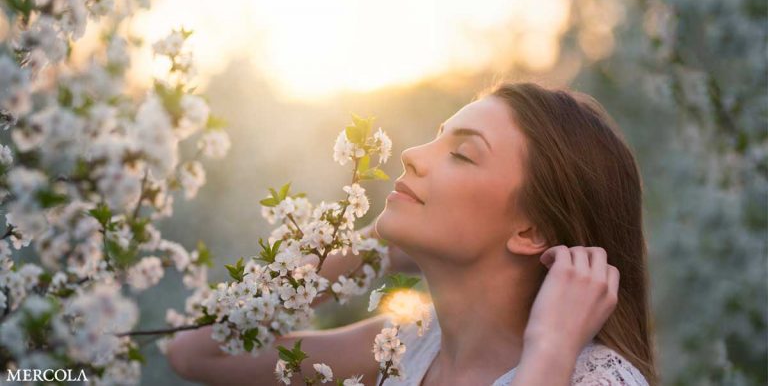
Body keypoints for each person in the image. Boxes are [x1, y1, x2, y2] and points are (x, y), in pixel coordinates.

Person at [167, 81, 658, 385]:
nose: (412, 154)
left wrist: (550, 351)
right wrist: (377, 249)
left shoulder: (595, 379)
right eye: (436, 136)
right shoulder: (405, 349)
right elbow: (195, 350)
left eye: (463, 153)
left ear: (532, 229)